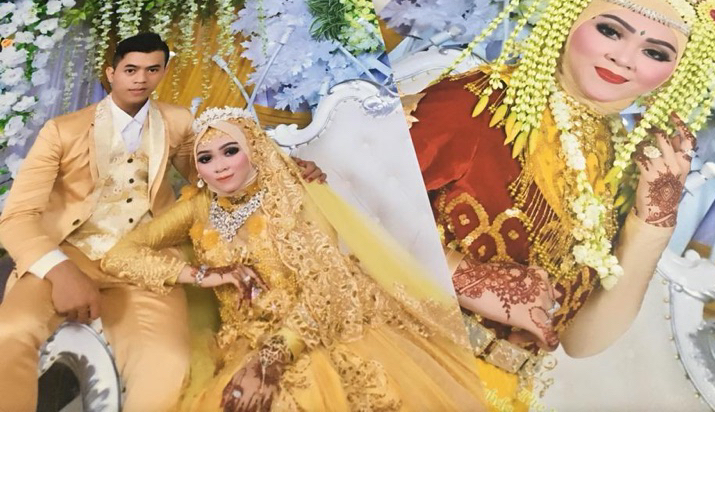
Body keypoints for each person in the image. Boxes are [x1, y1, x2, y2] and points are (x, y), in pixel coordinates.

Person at [408, 0, 715, 411]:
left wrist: (653, 224)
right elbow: (350, 199)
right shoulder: (477, 104)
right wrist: (468, 278)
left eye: (656, 52)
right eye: (611, 31)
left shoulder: (616, 163)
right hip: (409, 355)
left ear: (676, 73)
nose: (624, 58)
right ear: (570, 19)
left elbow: (582, 340)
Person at [101, 106, 487, 411]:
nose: (219, 166)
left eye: (231, 151)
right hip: (246, 339)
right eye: (206, 157)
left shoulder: (294, 190)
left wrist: (274, 356)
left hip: (319, 324)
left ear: (254, 150)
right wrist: (206, 275)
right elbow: (118, 255)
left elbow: (329, 284)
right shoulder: (198, 207)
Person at [0, 32, 194, 411]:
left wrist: (285, 168)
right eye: (131, 70)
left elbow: (217, 175)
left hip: (145, 261)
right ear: (111, 73)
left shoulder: (178, 121)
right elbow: (17, 216)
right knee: (11, 331)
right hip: (70, 253)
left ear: (163, 72)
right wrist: (60, 271)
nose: (141, 79)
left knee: (167, 365)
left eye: (152, 69)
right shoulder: (63, 130)